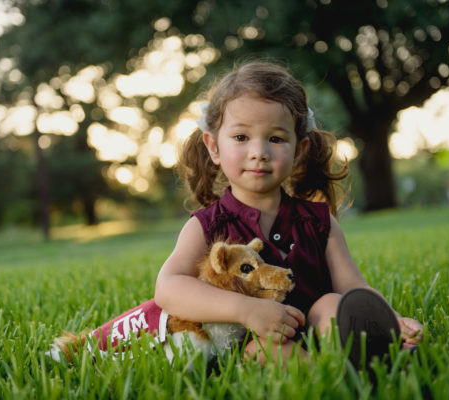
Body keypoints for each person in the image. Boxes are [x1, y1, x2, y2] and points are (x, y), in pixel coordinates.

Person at [154, 61, 423, 364]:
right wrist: (246, 310)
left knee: (333, 304)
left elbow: (353, 287)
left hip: (316, 326)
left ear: (299, 150)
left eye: (276, 138)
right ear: (213, 147)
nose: (259, 152)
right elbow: (168, 287)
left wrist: (391, 318)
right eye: (241, 137)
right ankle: (332, 383)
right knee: (264, 346)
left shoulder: (319, 221)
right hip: (257, 337)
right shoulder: (207, 225)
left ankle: (371, 355)